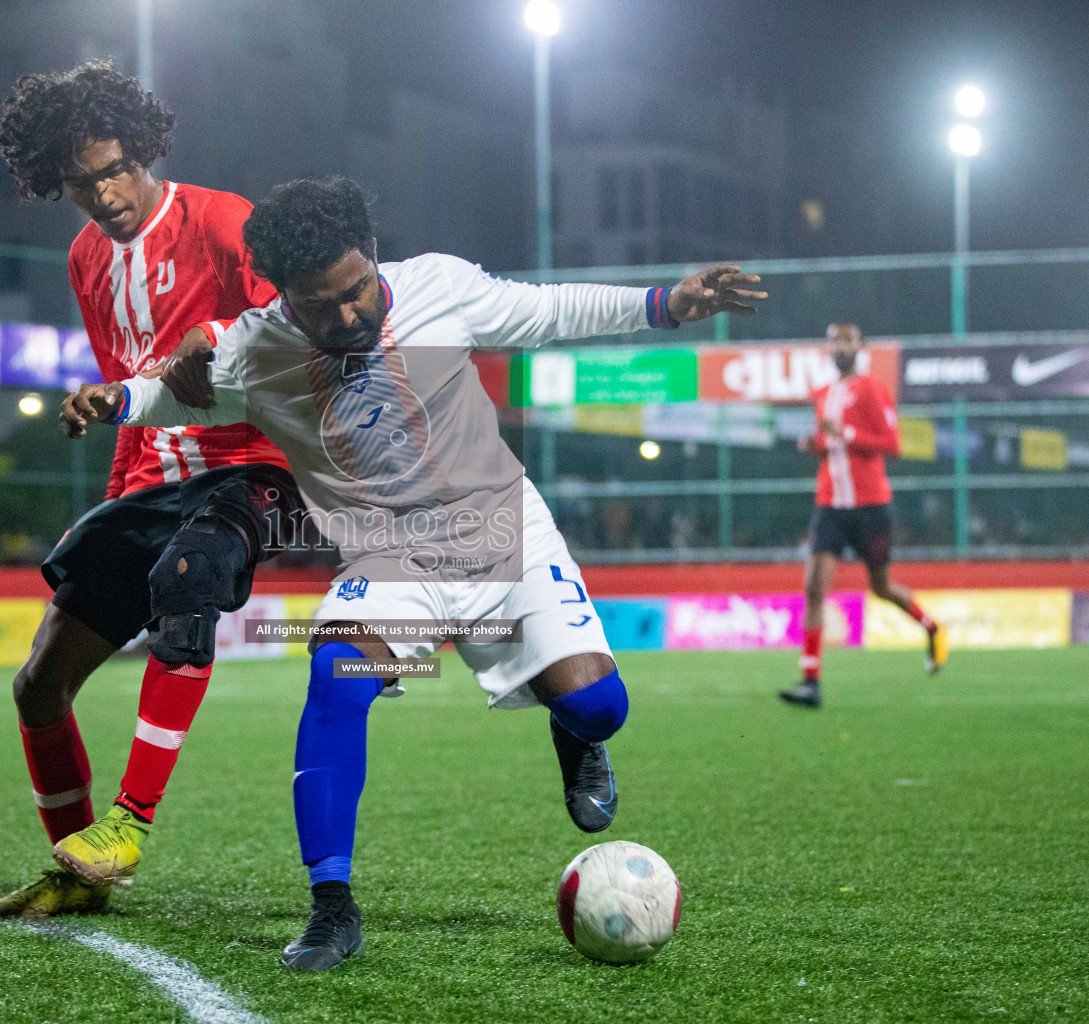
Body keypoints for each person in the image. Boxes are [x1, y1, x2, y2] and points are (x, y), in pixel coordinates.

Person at [61, 175, 765, 970]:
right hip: (392, 562)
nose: (350, 313)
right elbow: (171, 393)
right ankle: (332, 908)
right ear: (286, 296)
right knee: (338, 674)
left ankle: (574, 733)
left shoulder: (440, 286)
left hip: (507, 535)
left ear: (371, 255)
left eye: (358, 289)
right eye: (323, 306)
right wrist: (111, 403)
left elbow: (551, 310)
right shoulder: (256, 351)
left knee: (600, 707)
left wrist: (670, 301)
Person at [0, 60, 305, 920]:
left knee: (185, 579)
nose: (106, 193)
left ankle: (128, 824)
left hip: (254, 467)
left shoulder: (222, 220)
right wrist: (124, 503)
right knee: (37, 686)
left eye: (117, 168)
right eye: (82, 182)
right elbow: (127, 386)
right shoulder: (87, 258)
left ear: (144, 149)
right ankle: (75, 870)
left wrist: (214, 333)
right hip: (153, 482)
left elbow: (298, 327)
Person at [779, 323, 947, 709]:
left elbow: (891, 443)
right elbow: (830, 445)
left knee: (882, 588)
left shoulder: (872, 389)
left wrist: (847, 432)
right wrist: (815, 446)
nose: (840, 346)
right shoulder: (822, 394)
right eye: (834, 340)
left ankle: (933, 628)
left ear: (861, 347)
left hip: (870, 506)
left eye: (847, 340)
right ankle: (810, 681)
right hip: (830, 506)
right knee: (814, 588)